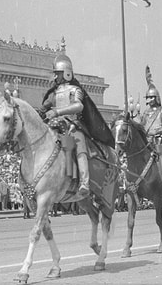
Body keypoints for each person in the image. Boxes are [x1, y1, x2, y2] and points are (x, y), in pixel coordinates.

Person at [41, 53, 115, 197]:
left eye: (58, 74)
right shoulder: (53, 94)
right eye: (55, 74)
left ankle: (84, 183)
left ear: (67, 74)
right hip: (55, 126)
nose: (55, 77)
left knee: (80, 146)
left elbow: (79, 106)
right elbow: (43, 108)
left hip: (73, 125)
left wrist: (57, 112)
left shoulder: (75, 90)